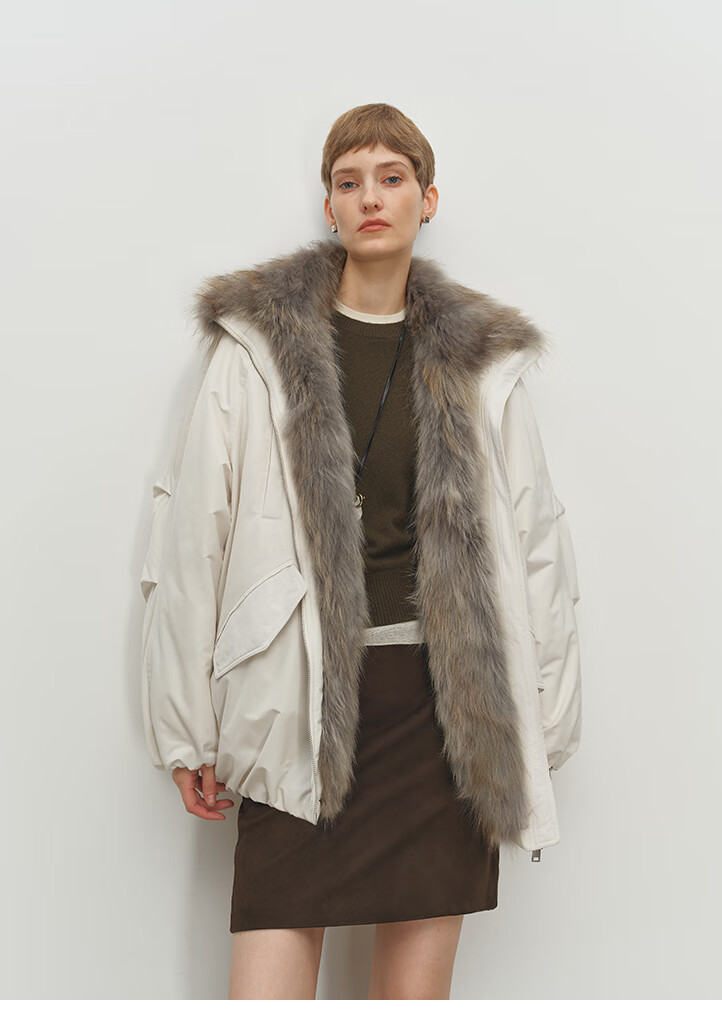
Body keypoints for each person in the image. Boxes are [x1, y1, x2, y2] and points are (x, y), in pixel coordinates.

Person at [139, 102, 583, 999]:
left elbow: (536, 541)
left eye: (391, 178)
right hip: (292, 699)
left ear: (427, 199)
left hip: (442, 715)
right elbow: (193, 538)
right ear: (330, 207)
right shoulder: (255, 348)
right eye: (349, 182)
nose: (370, 197)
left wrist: (547, 719)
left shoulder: (482, 361)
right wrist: (185, 725)